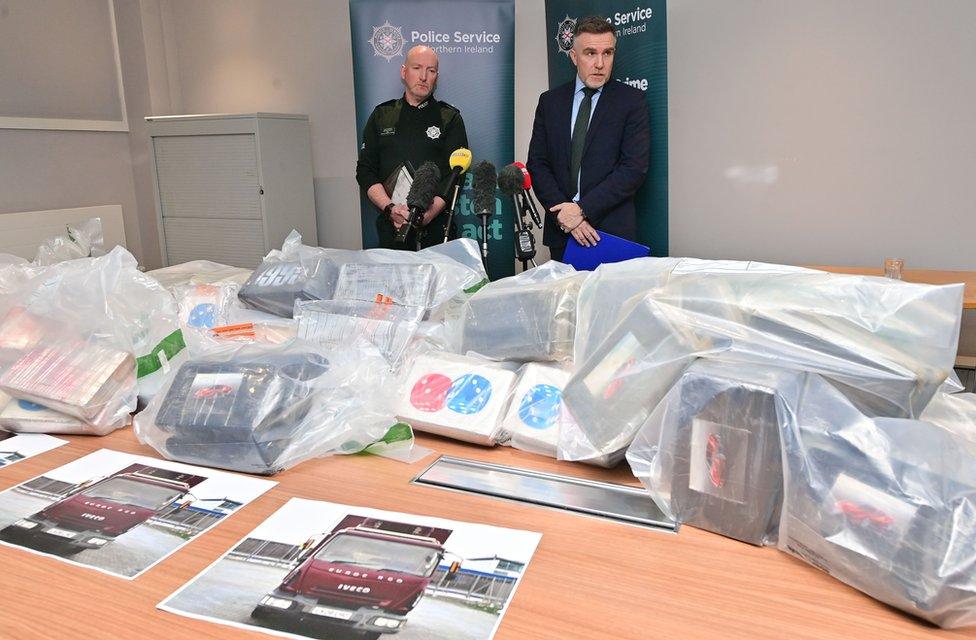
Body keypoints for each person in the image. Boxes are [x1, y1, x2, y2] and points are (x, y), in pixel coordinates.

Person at [527, 16, 650, 262]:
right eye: (590, 53)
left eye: (608, 53)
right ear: (574, 57)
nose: (600, 63)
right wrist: (567, 217)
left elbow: (633, 169)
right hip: (562, 231)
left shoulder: (631, 102)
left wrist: (581, 211)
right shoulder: (550, 102)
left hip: (610, 234)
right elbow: (538, 164)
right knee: (565, 301)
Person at [356, 45, 469, 250]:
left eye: (431, 70)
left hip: (437, 230)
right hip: (391, 227)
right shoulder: (382, 115)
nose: (424, 76)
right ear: (404, 72)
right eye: (417, 68)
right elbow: (365, 171)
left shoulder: (450, 118)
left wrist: (426, 216)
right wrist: (390, 209)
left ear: (436, 76)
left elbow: (455, 176)